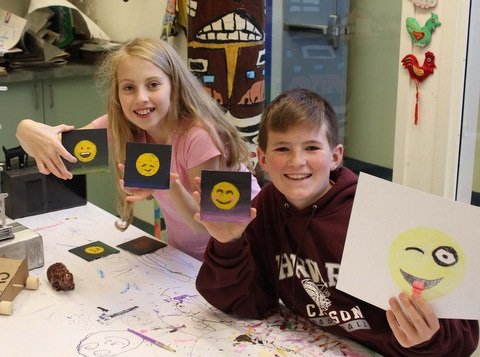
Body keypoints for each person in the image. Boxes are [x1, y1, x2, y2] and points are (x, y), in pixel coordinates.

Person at [193, 88, 479, 355]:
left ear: (335, 156)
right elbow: (249, 303)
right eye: (282, 149)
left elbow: (463, 337)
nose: (297, 161)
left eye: (312, 148)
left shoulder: (377, 213)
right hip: (314, 344)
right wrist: (227, 243)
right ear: (263, 160)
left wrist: (429, 337)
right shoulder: (267, 206)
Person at [16, 37, 260, 261]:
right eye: (129, 87)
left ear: (175, 86)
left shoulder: (199, 135)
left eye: (153, 84)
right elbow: (67, 152)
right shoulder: (124, 124)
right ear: (118, 94)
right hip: (185, 254)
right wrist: (24, 128)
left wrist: (168, 183)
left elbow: (205, 224)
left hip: (241, 249)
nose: (141, 98)